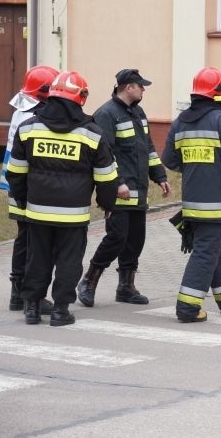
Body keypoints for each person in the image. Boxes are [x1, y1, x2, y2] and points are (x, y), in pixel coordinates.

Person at [6, 71, 119, 325]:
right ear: (81, 98)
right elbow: (107, 178)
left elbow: (15, 173)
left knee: (37, 258)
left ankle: (32, 309)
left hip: (36, 212)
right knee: (69, 262)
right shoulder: (92, 134)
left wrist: (24, 201)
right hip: (73, 214)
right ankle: (60, 311)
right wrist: (107, 205)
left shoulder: (28, 128)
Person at [162, 67, 221, 323]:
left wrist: (195, 168)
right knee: (205, 252)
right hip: (217, 203)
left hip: (192, 203)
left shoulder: (179, 122)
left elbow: (170, 159)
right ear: (218, 96)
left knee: (214, 246)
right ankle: (187, 307)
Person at [77, 69, 171, 308]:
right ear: (128, 87)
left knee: (135, 239)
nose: (143, 90)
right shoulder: (107, 114)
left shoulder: (138, 112)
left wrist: (159, 176)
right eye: (141, 86)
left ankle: (126, 287)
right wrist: (117, 183)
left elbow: (148, 148)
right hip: (119, 191)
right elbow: (104, 154)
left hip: (138, 190)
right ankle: (89, 281)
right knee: (116, 238)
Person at [1, 65, 59, 313]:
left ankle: (17, 293)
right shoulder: (33, 116)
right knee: (32, 241)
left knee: (23, 238)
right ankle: (27, 294)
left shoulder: (21, 110)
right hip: (27, 185)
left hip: (14, 182)